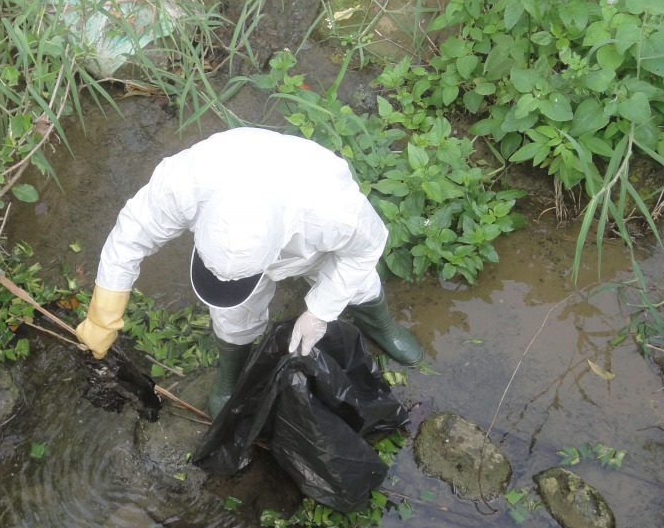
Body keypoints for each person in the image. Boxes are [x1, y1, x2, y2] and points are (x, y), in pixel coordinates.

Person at [74, 127, 424, 418]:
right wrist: (104, 312)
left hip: (310, 239)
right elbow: (131, 234)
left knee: (357, 283)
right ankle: (230, 377)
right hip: (243, 211)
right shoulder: (186, 184)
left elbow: (365, 249)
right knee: (232, 312)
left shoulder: (332, 211)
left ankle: (382, 325)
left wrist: (320, 311)